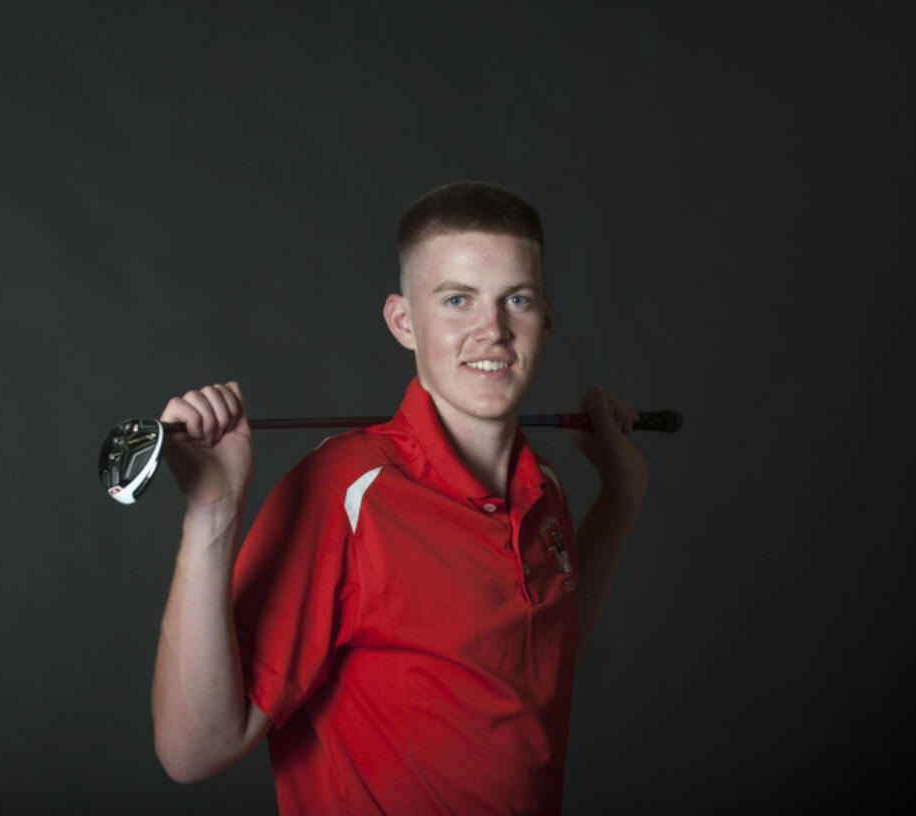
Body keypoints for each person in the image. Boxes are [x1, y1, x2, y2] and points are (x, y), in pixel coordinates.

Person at [150, 181, 649, 814]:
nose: (491, 330)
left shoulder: (541, 485)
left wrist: (623, 492)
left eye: (514, 299)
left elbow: (546, 658)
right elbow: (192, 750)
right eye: (458, 300)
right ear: (403, 322)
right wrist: (211, 513)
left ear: (545, 319)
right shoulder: (344, 491)